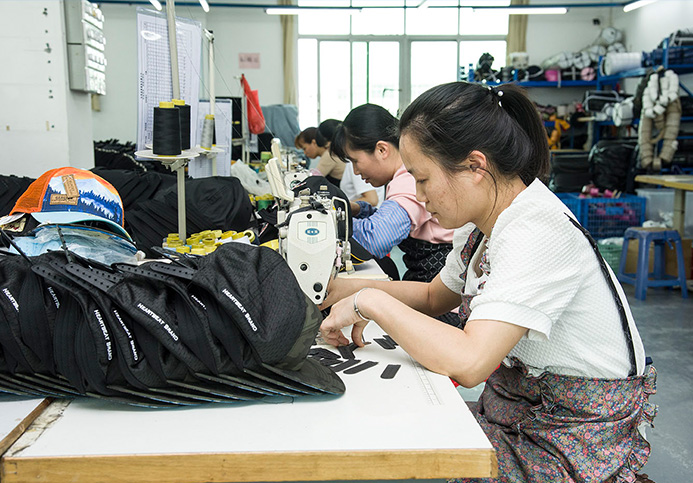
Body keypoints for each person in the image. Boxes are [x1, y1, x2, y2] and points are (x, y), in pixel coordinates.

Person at [320, 82, 656, 483]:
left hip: (573, 441)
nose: (420, 196)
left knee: (399, 457)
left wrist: (371, 301)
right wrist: (346, 289)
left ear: (476, 167)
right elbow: (432, 296)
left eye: (424, 180)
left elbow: (470, 362)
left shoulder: (536, 230)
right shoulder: (482, 225)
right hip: (521, 413)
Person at [330, 103, 454, 284]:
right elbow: (394, 219)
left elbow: (376, 239)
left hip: (440, 290)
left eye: (355, 161)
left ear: (382, 150)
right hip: (428, 278)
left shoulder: (409, 178)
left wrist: (329, 223)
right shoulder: (405, 174)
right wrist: (358, 209)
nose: (355, 171)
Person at [295, 121, 345, 186]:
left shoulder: (329, 155)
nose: (304, 153)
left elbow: (313, 179)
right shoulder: (330, 152)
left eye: (304, 148)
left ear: (313, 143)